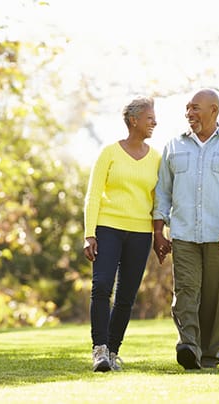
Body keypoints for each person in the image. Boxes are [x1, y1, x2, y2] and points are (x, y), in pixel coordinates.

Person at [153, 88, 219, 370]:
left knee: (217, 296)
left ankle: (209, 353)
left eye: (195, 108)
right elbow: (162, 192)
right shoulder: (174, 146)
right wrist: (158, 231)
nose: (189, 113)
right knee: (186, 291)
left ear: (214, 110)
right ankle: (188, 346)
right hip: (184, 234)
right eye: (187, 108)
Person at [83, 97, 161, 372]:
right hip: (108, 228)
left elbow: (158, 200)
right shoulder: (109, 153)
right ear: (133, 120)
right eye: (150, 117)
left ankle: (113, 352)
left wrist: (160, 233)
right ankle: (100, 349)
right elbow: (93, 195)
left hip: (140, 233)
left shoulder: (156, 158)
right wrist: (89, 234)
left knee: (126, 295)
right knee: (102, 286)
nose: (155, 122)